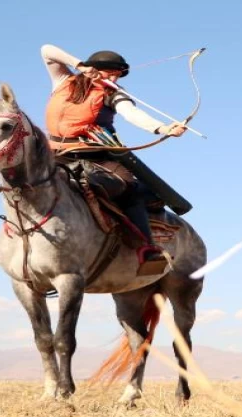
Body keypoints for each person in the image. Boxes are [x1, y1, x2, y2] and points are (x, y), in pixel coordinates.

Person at [40, 43, 186, 268]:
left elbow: (132, 114)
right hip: (55, 154)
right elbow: (47, 50)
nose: (115, 80)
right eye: (112, 74)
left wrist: (164, 128)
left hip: (96, 157)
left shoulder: (113, 94)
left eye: (118, 76)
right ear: (95, 69)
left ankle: (145, 247)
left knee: (127, 188)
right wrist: (80, 65)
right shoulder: (63, 81)